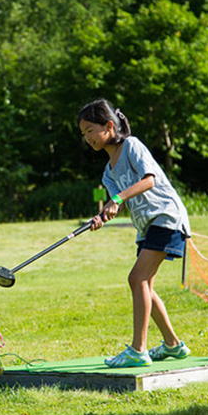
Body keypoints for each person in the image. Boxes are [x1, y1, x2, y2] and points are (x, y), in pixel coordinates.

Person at [78, 98, 191, 368]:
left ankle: (138, 350)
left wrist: (117, 199)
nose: (87, 138)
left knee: (137, 279)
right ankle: (173, 345)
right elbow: (119, 202)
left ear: (108, 126)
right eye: (83, 134)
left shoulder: (132, 146)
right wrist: (102, 215)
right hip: (148, 226)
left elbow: (149, 180)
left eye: (90, 130)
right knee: (145, 286)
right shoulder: (107, 173)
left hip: (166, 217)